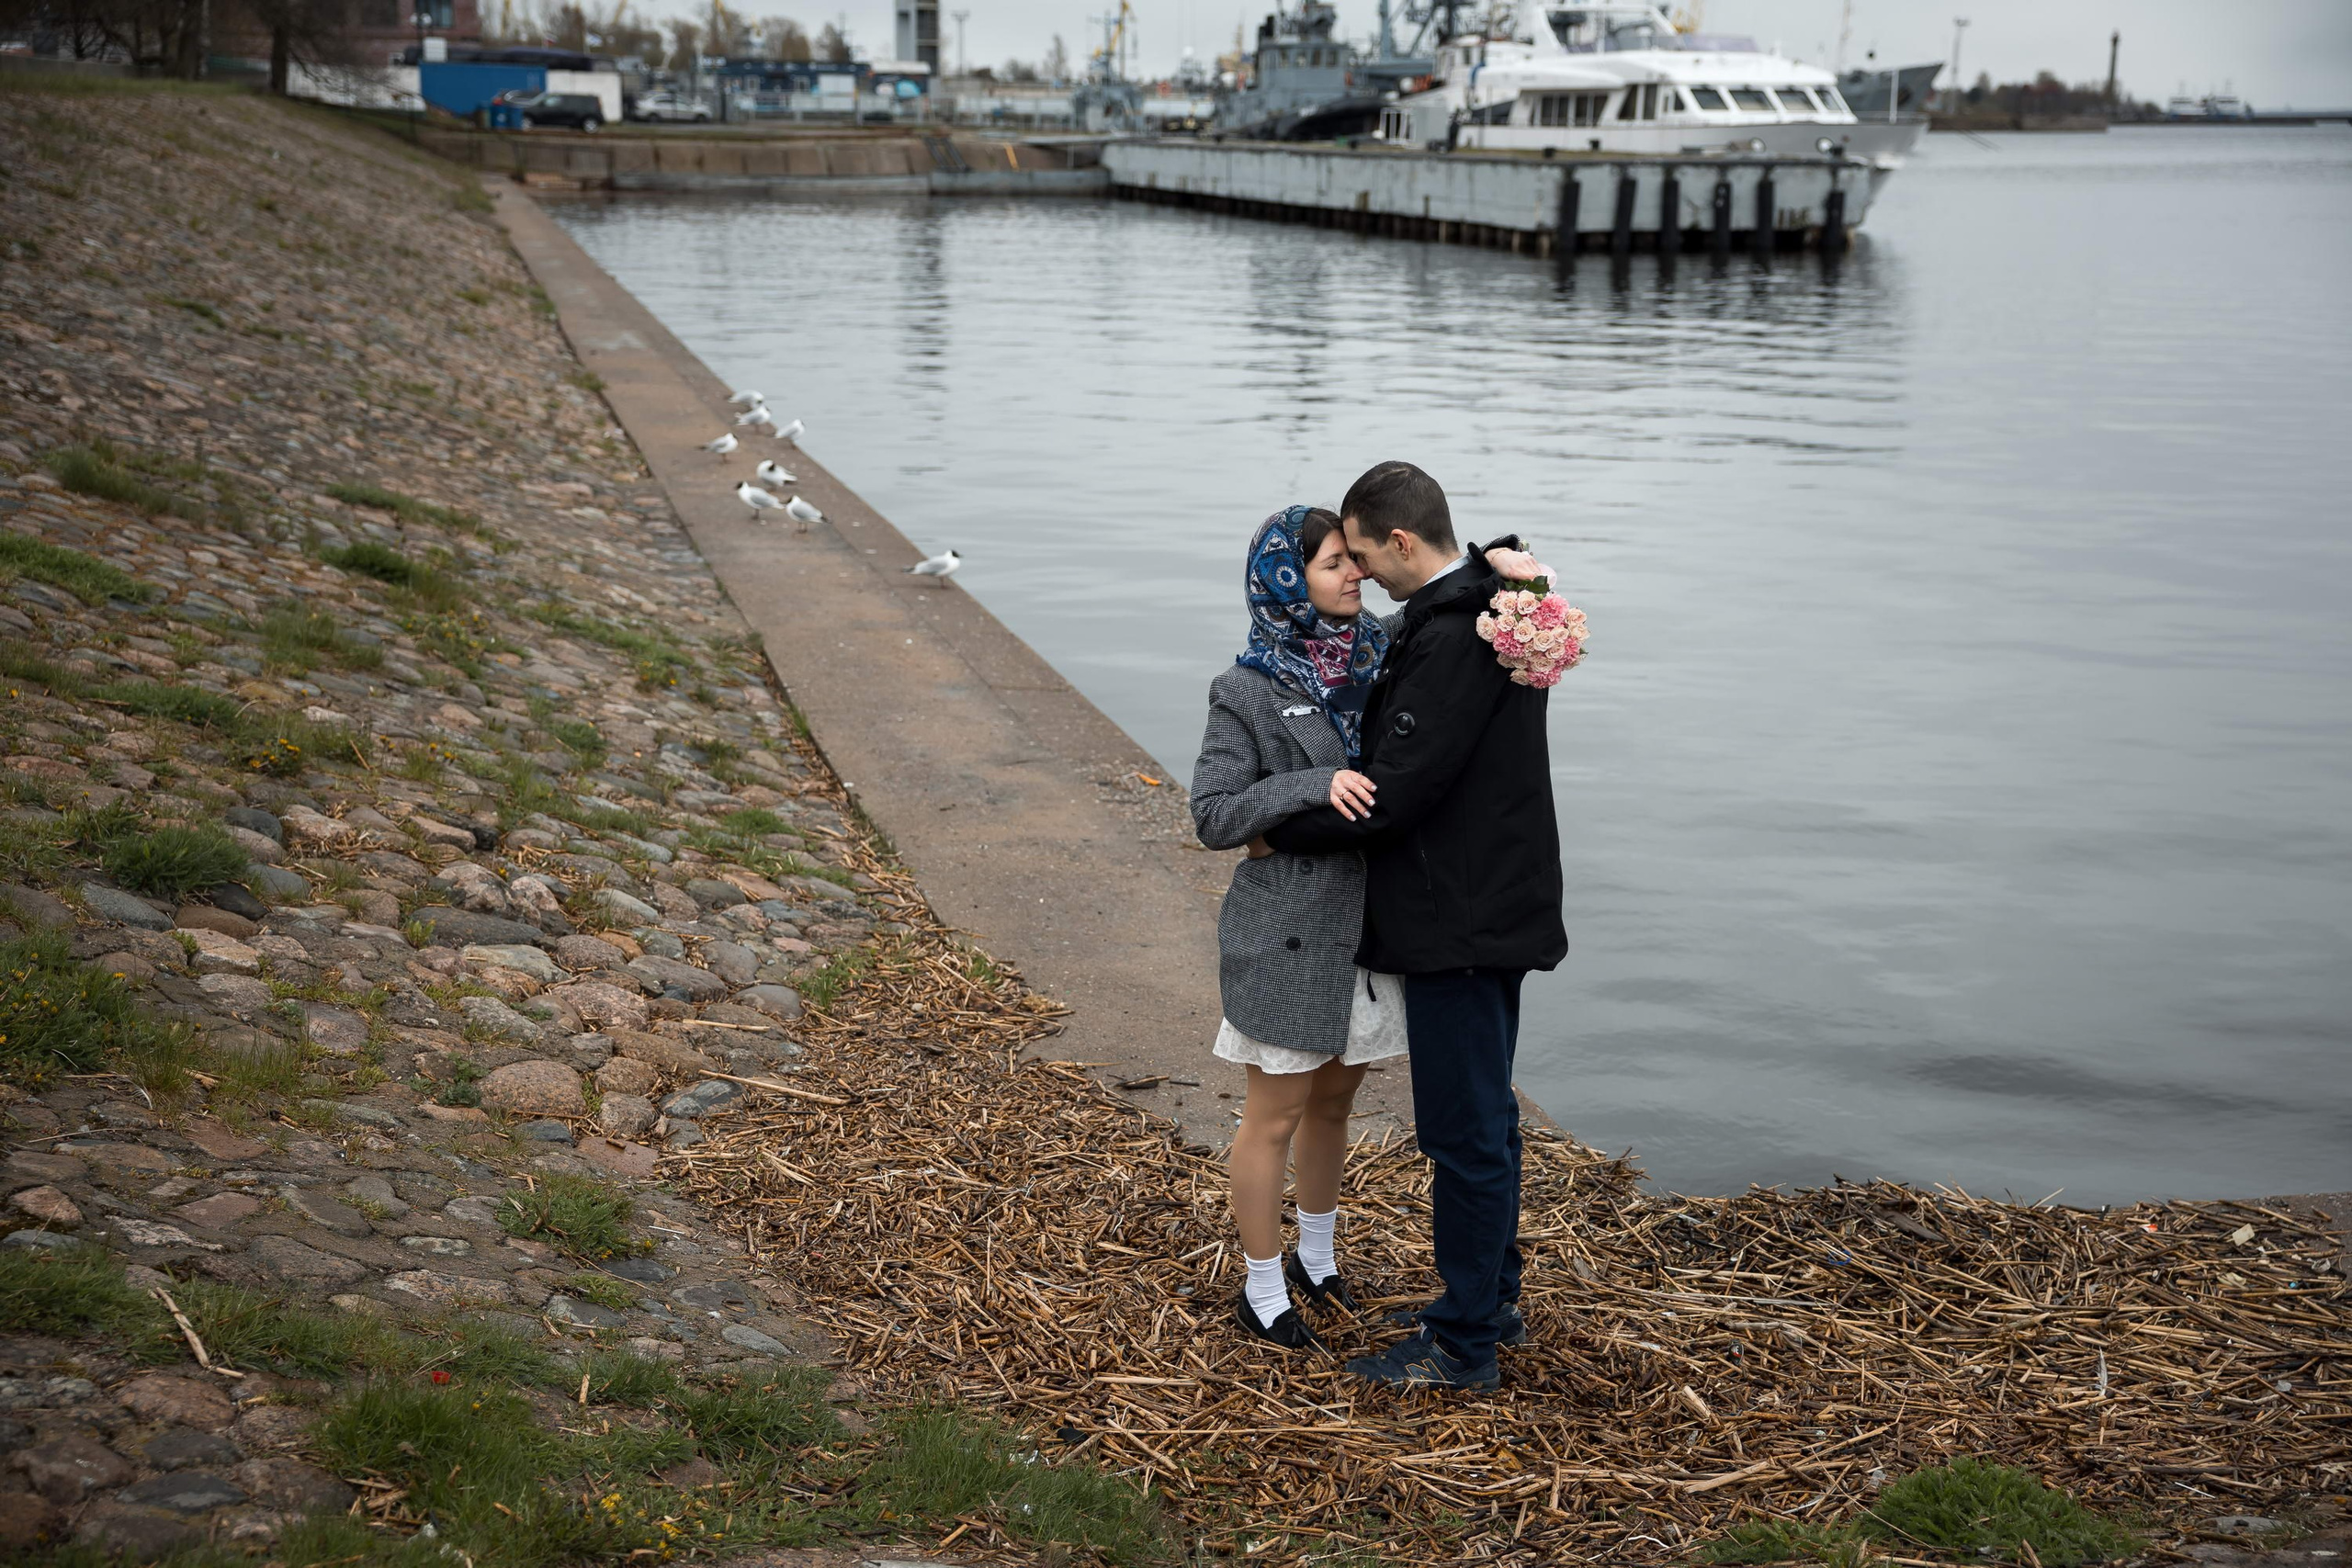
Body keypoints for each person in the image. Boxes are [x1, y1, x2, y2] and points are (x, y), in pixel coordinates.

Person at [1262, 460, 1568, 1393]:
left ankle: (1463, 1344)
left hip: (1461, 918)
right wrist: (1500, 559)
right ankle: (1492, 1302)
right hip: (1492, 901)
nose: (1356, 574)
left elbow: (1396, 795)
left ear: (1400, 541)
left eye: (1359, 553)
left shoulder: (1453, 641)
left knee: (1464, 1135)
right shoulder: (1486, 603)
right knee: (1487, 1126)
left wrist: (1276, 824)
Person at [1189, 505, 1405, 1349]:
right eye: (1330, 564)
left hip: (1366, 928)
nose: (1354, 574)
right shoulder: (1245, 689)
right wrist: (1315, 786)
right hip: (1287, 933)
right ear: (1285, 581)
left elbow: (1435, 605)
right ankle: (1263, 1287)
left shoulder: (1381, 655)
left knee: (1336, 1101)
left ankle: (1319, 1259)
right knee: (1273, 1114)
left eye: (1354, 560)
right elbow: (1213, 815)